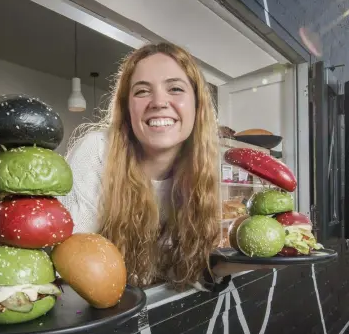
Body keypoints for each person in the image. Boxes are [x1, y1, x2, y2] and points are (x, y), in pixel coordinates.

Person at [59, 41, 229, 291]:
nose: (159, 102)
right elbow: (66, 260)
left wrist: (250, 262)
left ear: (197, 104)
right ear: (127, 109)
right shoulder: (97, 150)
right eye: (142, 91)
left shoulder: (202, 166)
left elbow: (188, 272)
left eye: (175, 88)